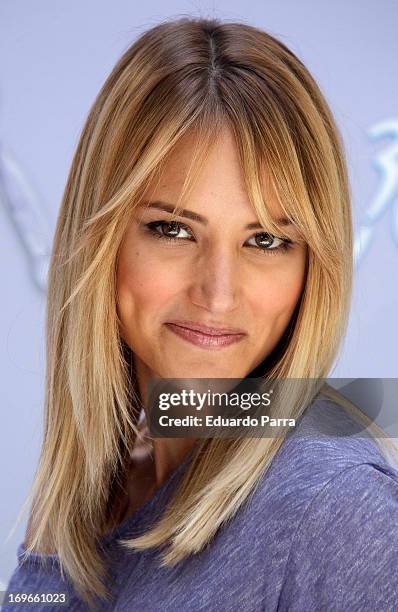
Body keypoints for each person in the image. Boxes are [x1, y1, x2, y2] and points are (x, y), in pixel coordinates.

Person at [4, 16, 398, 612]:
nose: (217, 294)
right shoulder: (99, 489)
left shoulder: (332, 507)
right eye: (173, 229)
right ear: (99, 241)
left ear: (314, 265)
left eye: (265, 240)